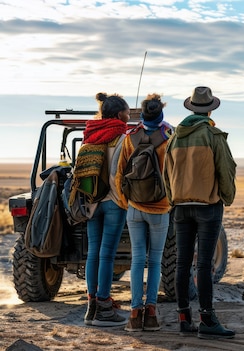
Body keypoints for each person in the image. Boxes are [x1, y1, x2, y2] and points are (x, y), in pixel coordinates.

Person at [163, 86, 237, 339]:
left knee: (182, 263)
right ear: (210, 109)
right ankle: (207, 320)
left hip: (180, 208)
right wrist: (227, 197)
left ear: (191, 108)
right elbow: (225, 170)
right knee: (204, 265)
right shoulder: (213, 135)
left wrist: (174, 200)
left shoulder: (174, 138)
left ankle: (184, 319)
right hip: (208, 206)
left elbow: (166, 175)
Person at [115, 93, 173, 332]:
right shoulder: (170, 137)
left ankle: (135, 313)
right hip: (160, 207)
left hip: (135, 208)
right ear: (161, 114)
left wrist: (126, 202)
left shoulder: (130, 138)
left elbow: (119, 174)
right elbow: (174, 174)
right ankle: (151, 313)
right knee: (156, 260)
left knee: (137, 259)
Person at [82, 92, 130, 327]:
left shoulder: (89, 136)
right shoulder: (122, 137)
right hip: (113, 202)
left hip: (91, 203)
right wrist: (122, 199)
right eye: (128, 113)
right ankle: (103, 308)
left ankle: (91, 307)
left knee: (93, 253)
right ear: (120, 114)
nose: (129, 116)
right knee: (107, 254)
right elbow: (119, 174)